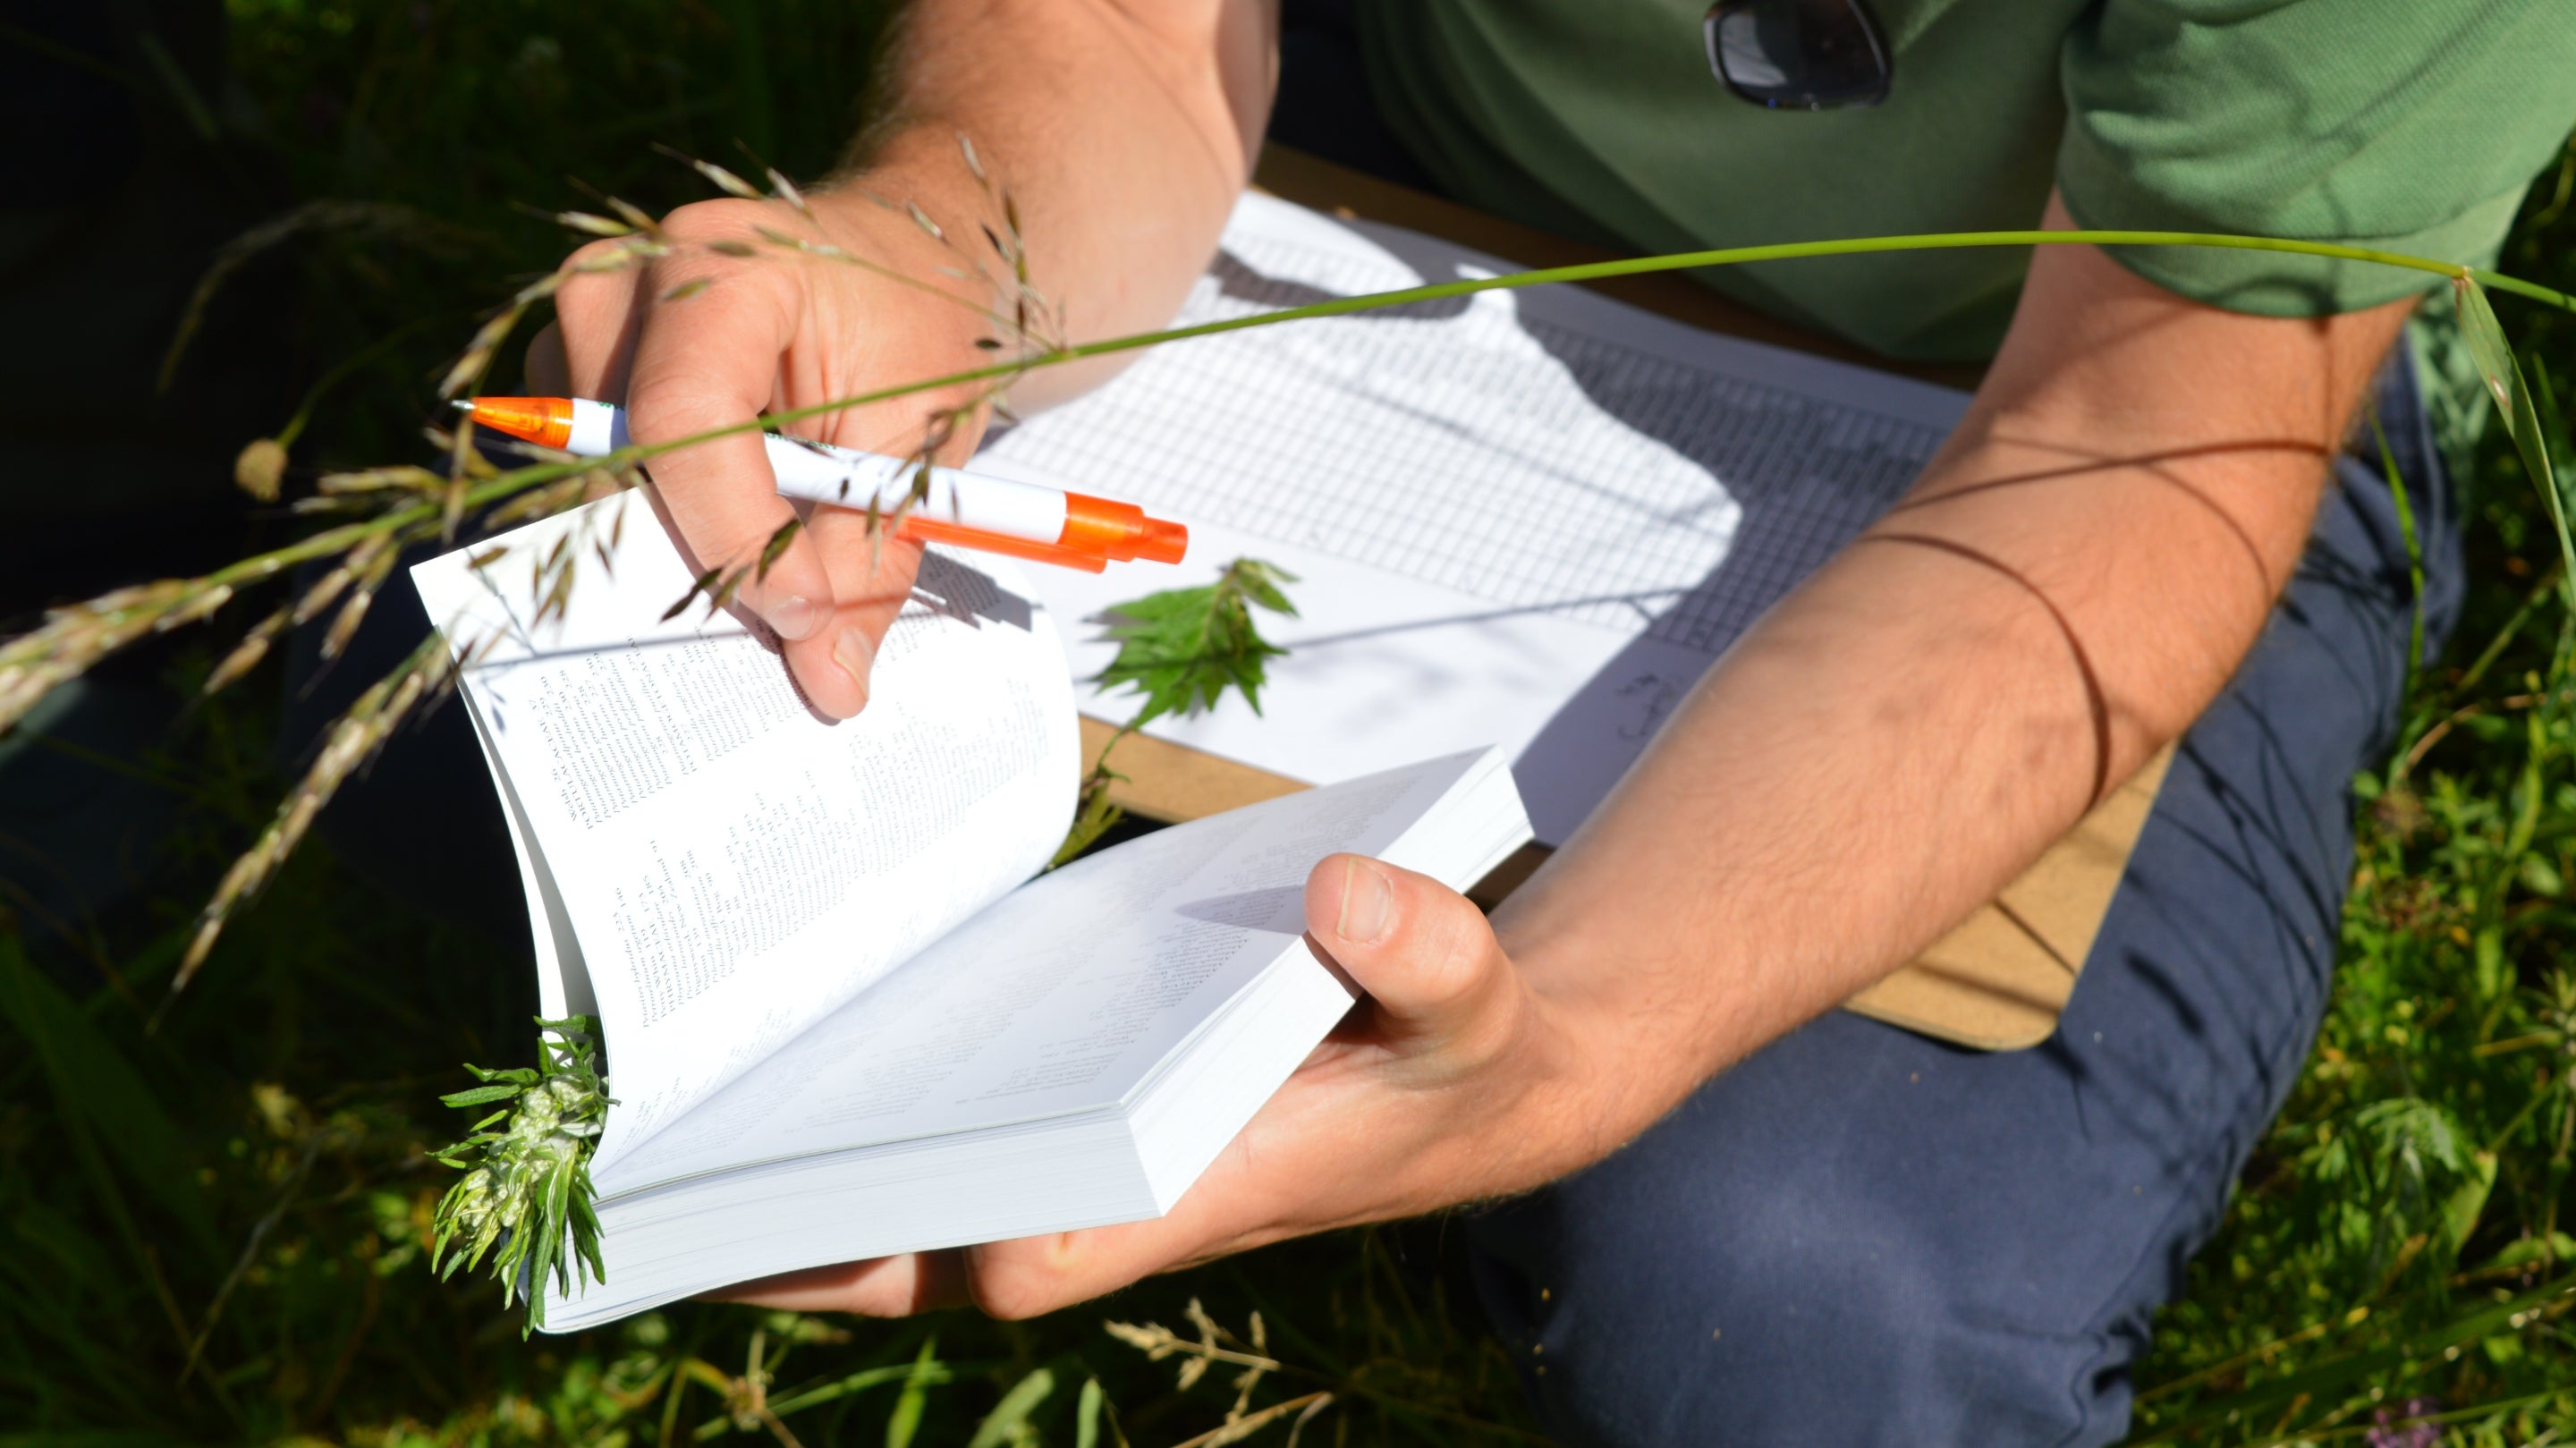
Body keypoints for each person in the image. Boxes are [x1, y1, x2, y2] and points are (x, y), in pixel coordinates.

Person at [523, 2, 2576, 1443]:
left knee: (1785, 1301)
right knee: (516, 721)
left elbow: (2136, 443)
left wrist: (1582, 1040)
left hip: (2127, 368)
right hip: (1394, 154)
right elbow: (1135, 36)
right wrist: (932, 237)